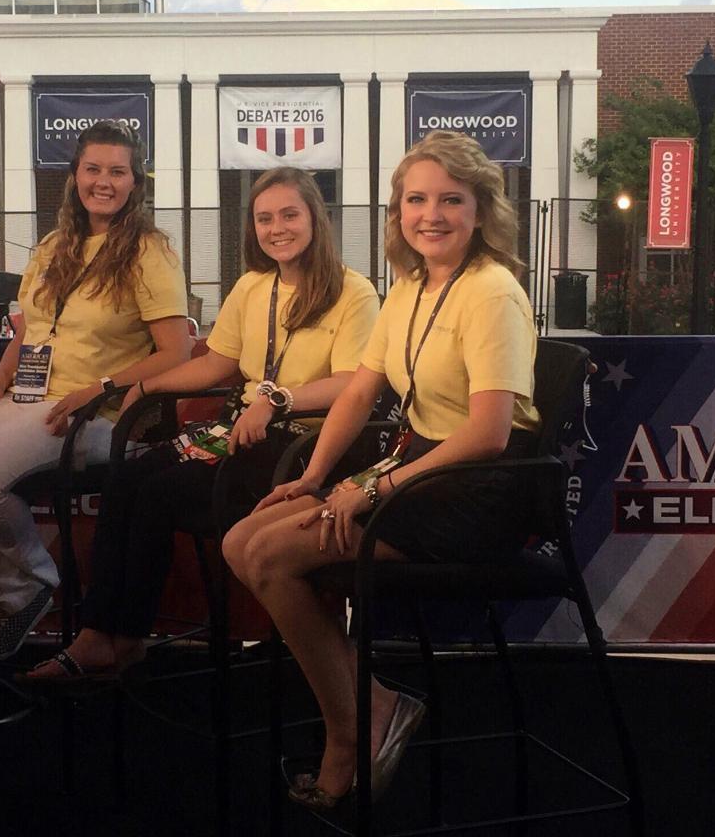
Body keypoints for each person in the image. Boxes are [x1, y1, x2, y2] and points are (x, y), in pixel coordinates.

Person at [222, 131, 541, 808]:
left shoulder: (491, 292)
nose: (431, 214)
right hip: (421, 469)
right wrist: (315, 476)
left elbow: (487, 434)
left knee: (275, 558)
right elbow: (363, 389)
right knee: (238, 542)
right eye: (416, 199)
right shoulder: (413, 285)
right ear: (397, 212)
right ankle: (374, 702)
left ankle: (349, 733)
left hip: (477, 491)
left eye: (450, 200)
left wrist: (376, 487)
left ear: (480, 211)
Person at [27, 166, 380, 681]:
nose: (276, 227)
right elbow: (216, 364)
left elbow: (353, 382)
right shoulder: (253, 286)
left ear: (316, 220)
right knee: (127, 478)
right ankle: (98, 633)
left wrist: (277, 400)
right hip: (241, 431)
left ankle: (124, 638)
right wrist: (143, 387)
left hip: (309, 442)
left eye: (289, 215)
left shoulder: (354, 291)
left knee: (159, 493)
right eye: (264, 218)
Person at [0, 121, 192, 663]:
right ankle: (7, 594)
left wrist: (99, 387)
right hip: (29, 397)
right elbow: (32, 330)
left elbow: (177, 352)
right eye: (92, 169)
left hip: (98, 414)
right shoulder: (55, 244)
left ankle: (30, 585)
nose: (103, 181)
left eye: (117, 171)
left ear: (135, 183)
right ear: (74, 176)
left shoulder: (150, 252)